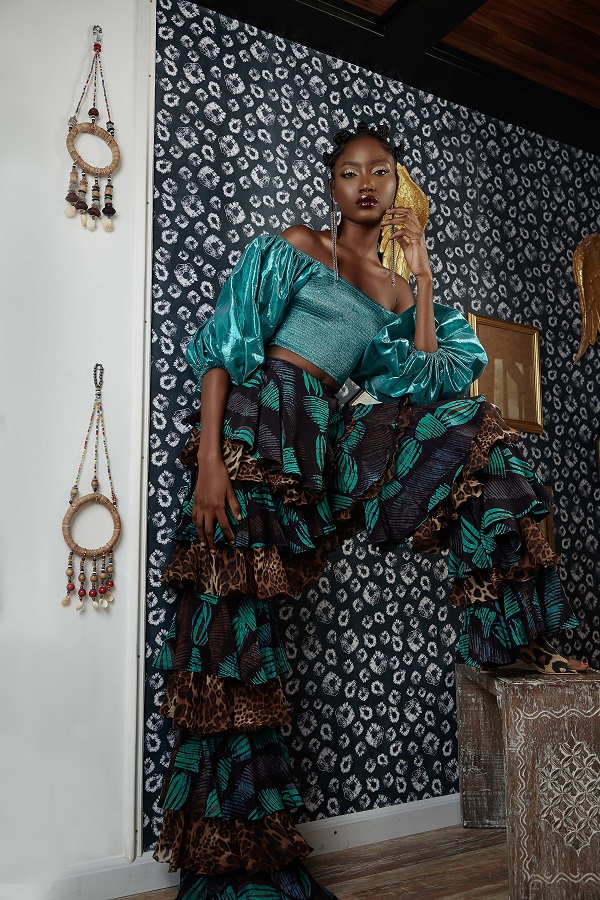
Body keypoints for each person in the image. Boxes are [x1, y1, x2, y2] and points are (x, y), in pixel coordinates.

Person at [152, 122, 586, 900]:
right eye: (350, 171)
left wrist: (421, 271)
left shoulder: (391, 290)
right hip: (255, 433)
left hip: (320, 444)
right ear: (333, 185)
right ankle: (234, 867)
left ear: (395, 188)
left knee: (468, 428)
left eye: (379, 171)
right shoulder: (296, 245)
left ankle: (517, 640)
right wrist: (210, 461)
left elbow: (424, 380)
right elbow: (224, 348)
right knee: (234, 642)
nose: (364, 183)